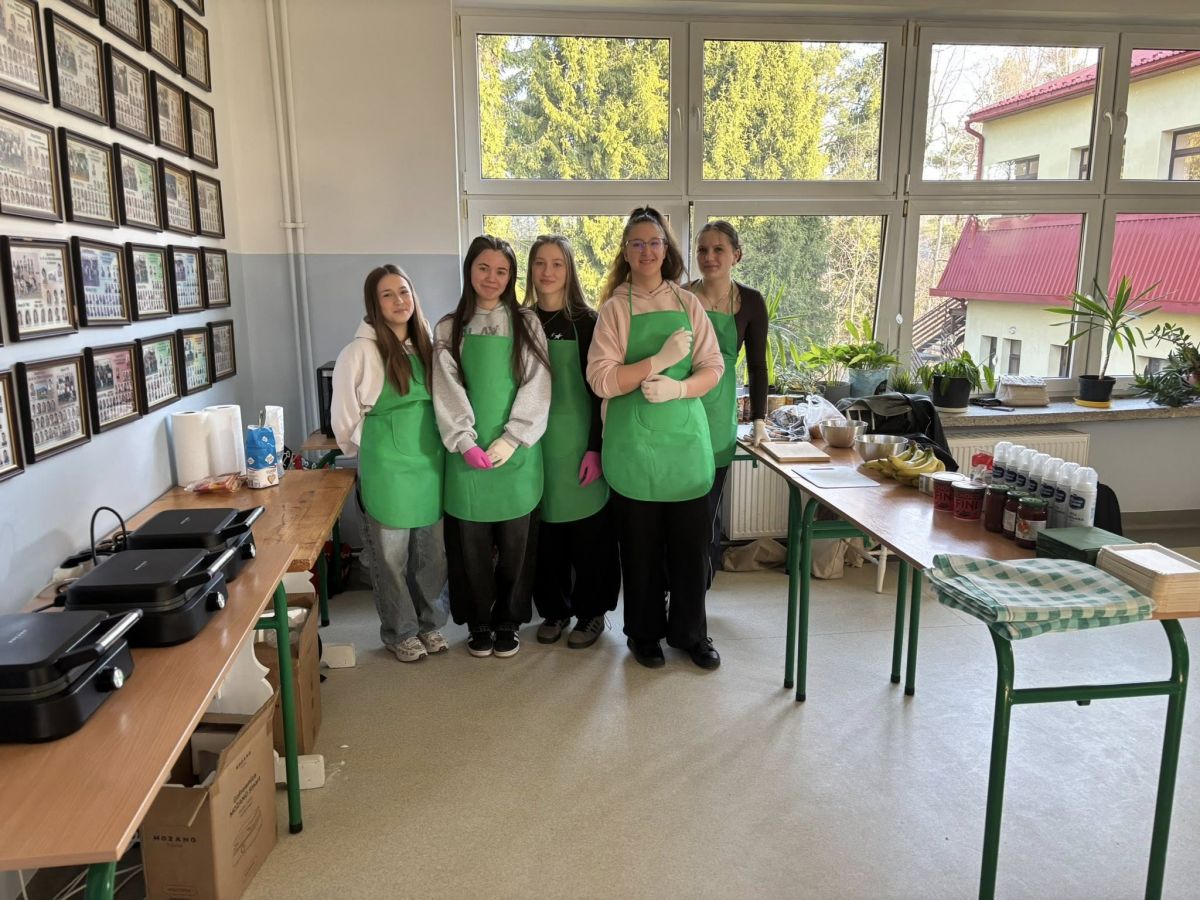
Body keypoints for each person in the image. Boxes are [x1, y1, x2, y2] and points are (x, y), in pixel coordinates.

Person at [587, 207, 724, 670]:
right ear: (626, 253)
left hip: (684, 445)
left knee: (689, 549)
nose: (646, 250)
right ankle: (643, 633)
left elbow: (713, 368)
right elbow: (601, 380)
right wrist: (658, 361)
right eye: (637, 243)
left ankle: (691, 633)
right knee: (640, 548)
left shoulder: (689, 304)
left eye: (654, 242)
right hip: (633, 447)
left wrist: (680, 389)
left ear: (666, 250)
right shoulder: (614, 310)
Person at [433, 235, 551, 658]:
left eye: (502, 271)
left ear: (511, 277)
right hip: (466, 453)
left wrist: (512, 437)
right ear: (469, 269)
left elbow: (538, 382)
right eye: (483, 268)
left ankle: (509, 620)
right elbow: (445, 386)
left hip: (517, 453)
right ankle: (478, 620)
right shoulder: (449, 327)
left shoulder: (526, 323)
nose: (492, 278)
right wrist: (464, 440)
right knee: (471, 547)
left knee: (517, 546)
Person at [331, 265, 449, 662]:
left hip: (429, 464)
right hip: (386, 468)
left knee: (431, 556)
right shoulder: (358, 353)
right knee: (390, 558)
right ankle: (400, 632)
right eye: (388, 294)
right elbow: (343, 419)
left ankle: (431, 624)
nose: (399, 301)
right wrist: (372, 449)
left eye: (404, 292)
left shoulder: (429, 347)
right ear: (374, 304)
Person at [524, 235, 621, 649]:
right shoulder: (522, 321)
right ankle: (554, 610)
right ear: (530, 270)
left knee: (589, 535)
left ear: (569, 271)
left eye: (557, 264)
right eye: (540, 263)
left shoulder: (587, 322)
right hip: (534, 444)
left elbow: (601, 393)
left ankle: (592, 613)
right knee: (546, 536)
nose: (547, 272)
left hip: (580, 442)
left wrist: (595, 448)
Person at [688, 220, 769, 584]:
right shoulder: (682, 297)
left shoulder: (750, 302)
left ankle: (699, 588)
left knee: (707, 511)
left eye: (718, 249)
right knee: (681, 510)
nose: (709, 256)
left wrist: (759, 421)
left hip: (720, 416)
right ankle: (673, 587)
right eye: (703, 249)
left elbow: (757, 366)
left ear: (736, 255)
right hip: (682, 410)